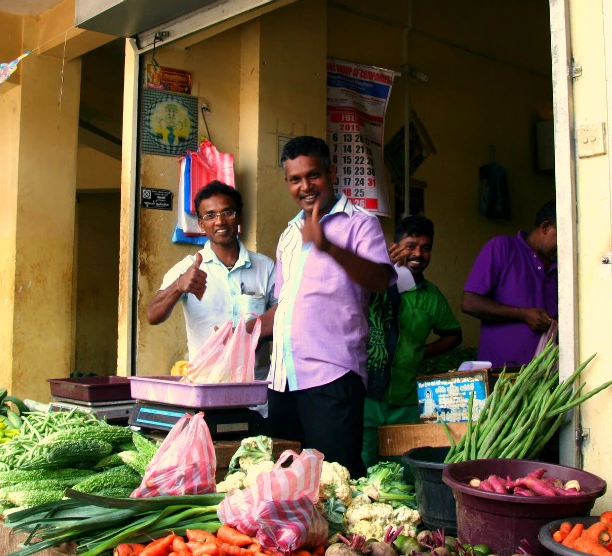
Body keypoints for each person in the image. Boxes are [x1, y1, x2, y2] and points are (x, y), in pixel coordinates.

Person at [257, 136, 395, 478]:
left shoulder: (362, 223)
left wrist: (328, 246)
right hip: (283, 379)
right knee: (284, 480)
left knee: (336, 479)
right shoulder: (290, 234)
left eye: (313, 175)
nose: (305, 186)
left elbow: (379, 280)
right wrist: (246, 331)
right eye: (295, 179)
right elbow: (287, 305)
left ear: (331, 172)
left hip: (332, 376)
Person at [361, 215, 463, 468]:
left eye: (426, 248)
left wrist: (420, 352)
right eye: (410, 246)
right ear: (394, 247)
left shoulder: (431, 296)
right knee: (360, 470)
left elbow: (453, 334)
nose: (418, 254)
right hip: (366, 399)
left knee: (404, 473)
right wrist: (380, 269)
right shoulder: (370, 283)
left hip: (407, 403)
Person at [146, 180, 276, 378]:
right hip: (206, 386)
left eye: (227, 212)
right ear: (201, 224)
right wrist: (179, 287)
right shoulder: (187, 268)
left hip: (256, 388)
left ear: (239, 216)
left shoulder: (265, 267)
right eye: (209, 215)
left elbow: (285, 315)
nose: (220, 222)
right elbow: (153, 316)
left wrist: (246, 333)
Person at [461, 201, 557, 368]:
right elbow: (469, 302)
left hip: (547, 378)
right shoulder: (503, 247)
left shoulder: (563, 268)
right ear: (546, 228)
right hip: (500, 375)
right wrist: (523, 314)